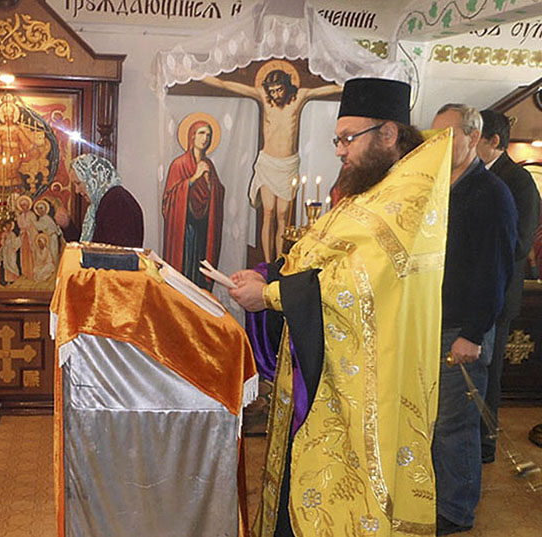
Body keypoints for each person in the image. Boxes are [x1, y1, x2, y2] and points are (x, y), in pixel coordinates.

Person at [229, 77, 446, 537]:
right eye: (337, 140)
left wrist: (269, 295)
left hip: (367, 387)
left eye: (348, 138)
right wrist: (270, 274)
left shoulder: (405, 198)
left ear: (388, 133)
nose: (340, 151)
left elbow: (355, 285)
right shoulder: (374, 189)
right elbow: (321, 254)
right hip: (328, 374)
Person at [430, 103, 517, 535]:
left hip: (462, 330)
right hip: (433, 324)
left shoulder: (491, 193)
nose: (439, 143)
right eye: (435, 135)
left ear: (474, 136)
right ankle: (437, 498)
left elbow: (494, 271)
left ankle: (456, 511)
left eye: (448, 135)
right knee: (436, 423)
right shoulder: (439, 186)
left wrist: (471, 334)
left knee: (456, 426)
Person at [202, 61, 341, 261]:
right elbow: (225, 84)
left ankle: (279, 260)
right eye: (272, 90)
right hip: (267, 163)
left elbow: (330, 89)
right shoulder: (264, 98)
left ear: (287, 86)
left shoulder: (299, 97)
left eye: (279, 89)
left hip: (288, 165)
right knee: (268, 212)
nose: (276, 94)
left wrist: (353, 83)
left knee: (282, 215)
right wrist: (195, 75)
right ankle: (268, 262)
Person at [476, 109, 540, 464]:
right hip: (476, 292)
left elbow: (519, 242)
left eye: (474, 138)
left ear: (494, 141)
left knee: (489, 373)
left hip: (498, 293)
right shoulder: (478, 175)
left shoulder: (518, 181)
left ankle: (485, 443)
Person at [162, 117, 224, 290]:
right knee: (185, 269)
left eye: (209, 135)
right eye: (201, 133)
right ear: (192, 136)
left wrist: (211, 184)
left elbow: (218, 192)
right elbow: (169, 200)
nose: (205, 138)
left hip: (204, 227)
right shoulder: (179, 164)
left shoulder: (209, 164)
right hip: (185, 229)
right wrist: (194, 178)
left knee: (200, 274)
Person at [55, 153, 144, 248]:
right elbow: (89, 247)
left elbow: (115, 252)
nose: (77, 191)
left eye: (78, 183)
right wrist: (67, 226)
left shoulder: (117, 203)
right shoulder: (103, 202)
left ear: (92, 178)